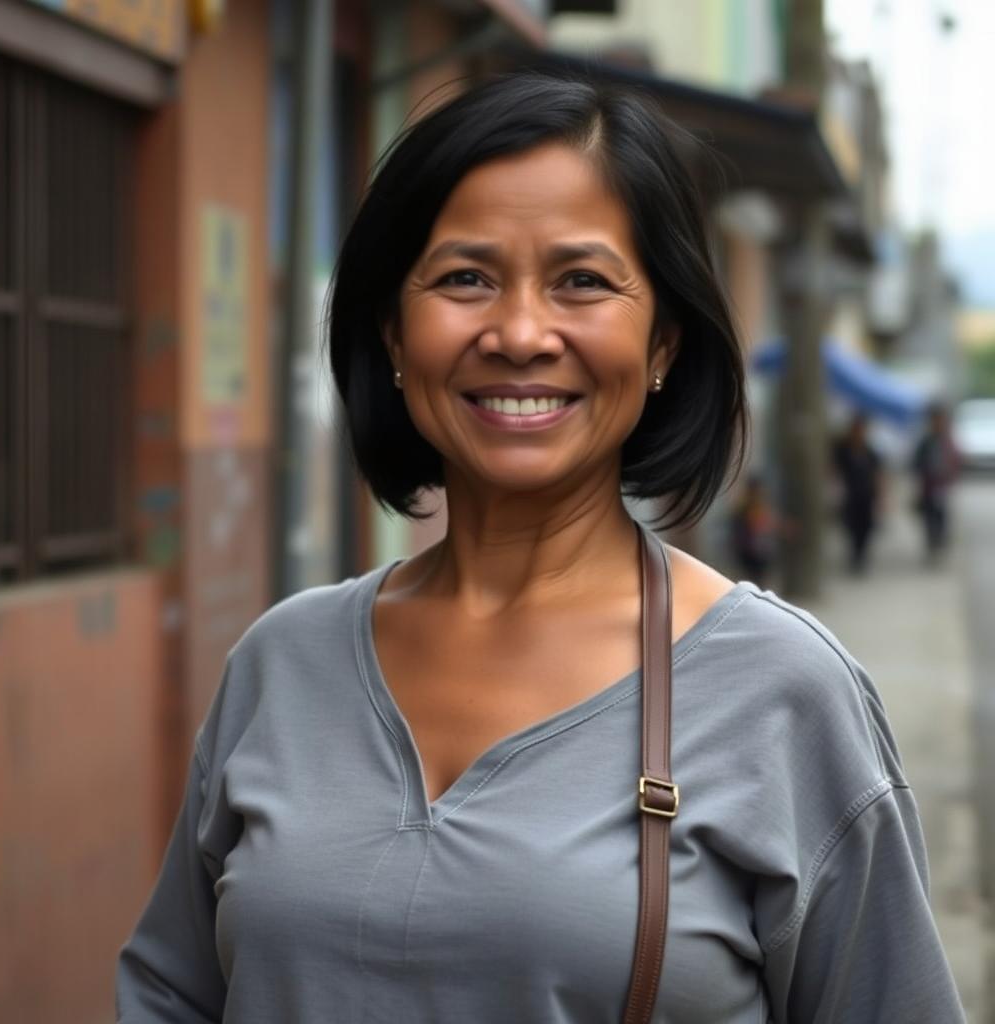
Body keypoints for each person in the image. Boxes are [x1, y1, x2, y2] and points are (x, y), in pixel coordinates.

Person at [117, 72, 964, 1022]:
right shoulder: (282, 663)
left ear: (662, 346)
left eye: (583, 282)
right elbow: (170, 993)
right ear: (395, 332)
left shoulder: (782, 692)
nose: (520, 333)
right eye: (465, 278)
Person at [831, 413, 884, 574]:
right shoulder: (843, 450)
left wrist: (881, 497)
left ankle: (861, 557)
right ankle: (855, 556)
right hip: (850, 497)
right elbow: (834, 471)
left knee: (866, 528)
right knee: (851, 527)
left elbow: (878, 475)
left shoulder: (870, 452)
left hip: (867, 497)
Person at [912, 402, 960, 563]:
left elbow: (956, 461)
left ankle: (939, 543)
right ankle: (932, 544)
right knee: (928, 519)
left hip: (942, 487)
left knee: (941, 518)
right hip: (928, 487)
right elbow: (916, 464)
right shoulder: (926, 442)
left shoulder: (947, 441)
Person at [730, 473, 778, 587]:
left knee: (753, 578)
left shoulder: (742, 505)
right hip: (755, 548)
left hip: (749, 548)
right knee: (757, 578)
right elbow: (759, 525)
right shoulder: (753, 505)